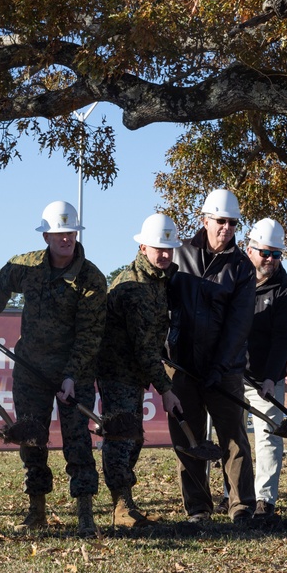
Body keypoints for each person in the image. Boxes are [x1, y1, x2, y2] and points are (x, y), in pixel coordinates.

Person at [0, 201, 106, 536]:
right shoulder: (26, 265)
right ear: (46, 235)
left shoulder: (91, 278)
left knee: (78, 441)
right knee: (32, 439)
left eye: (70, 233)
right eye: (59, 233)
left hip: (74, 373)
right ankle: (37, 511)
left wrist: (72, 376)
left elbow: (89, 335)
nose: (65, 239)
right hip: (30, 369)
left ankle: (85, 513)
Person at [166, 188, 256, 523]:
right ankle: (198, 508)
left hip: (226, 369)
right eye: (221, 220)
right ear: (205, 220)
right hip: (181, 367)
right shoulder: (178, 254)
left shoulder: (241, 267)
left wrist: (219, 367)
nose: (227, 227)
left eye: (233, 222)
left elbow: (239, 324)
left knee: (233, 439)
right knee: (188, 440)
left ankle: (242, 504)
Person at [96, 213, 183, 528]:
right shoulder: (136, 286)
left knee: (133, 435)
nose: (164, 254)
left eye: (168, 249)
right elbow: (144, 348)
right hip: (117, 371)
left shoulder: (156, 280)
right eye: (158, 248)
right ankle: (121, 508)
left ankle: (126, 504)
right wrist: (166, 389)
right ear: (143, 246)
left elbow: (152, 342)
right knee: (122, 434)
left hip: (132, 372)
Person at [238, 218, 287, 521]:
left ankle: (264, 500)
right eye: (265, 253)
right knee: (231, 436)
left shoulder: (286, 291)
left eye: (276, 254)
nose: (270, 260)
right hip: (230, 372)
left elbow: (282, 339)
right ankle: (233, 496)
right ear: (250, 249)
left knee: (267, 436)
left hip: (265, 377)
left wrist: (271, 378)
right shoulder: (234, 276)